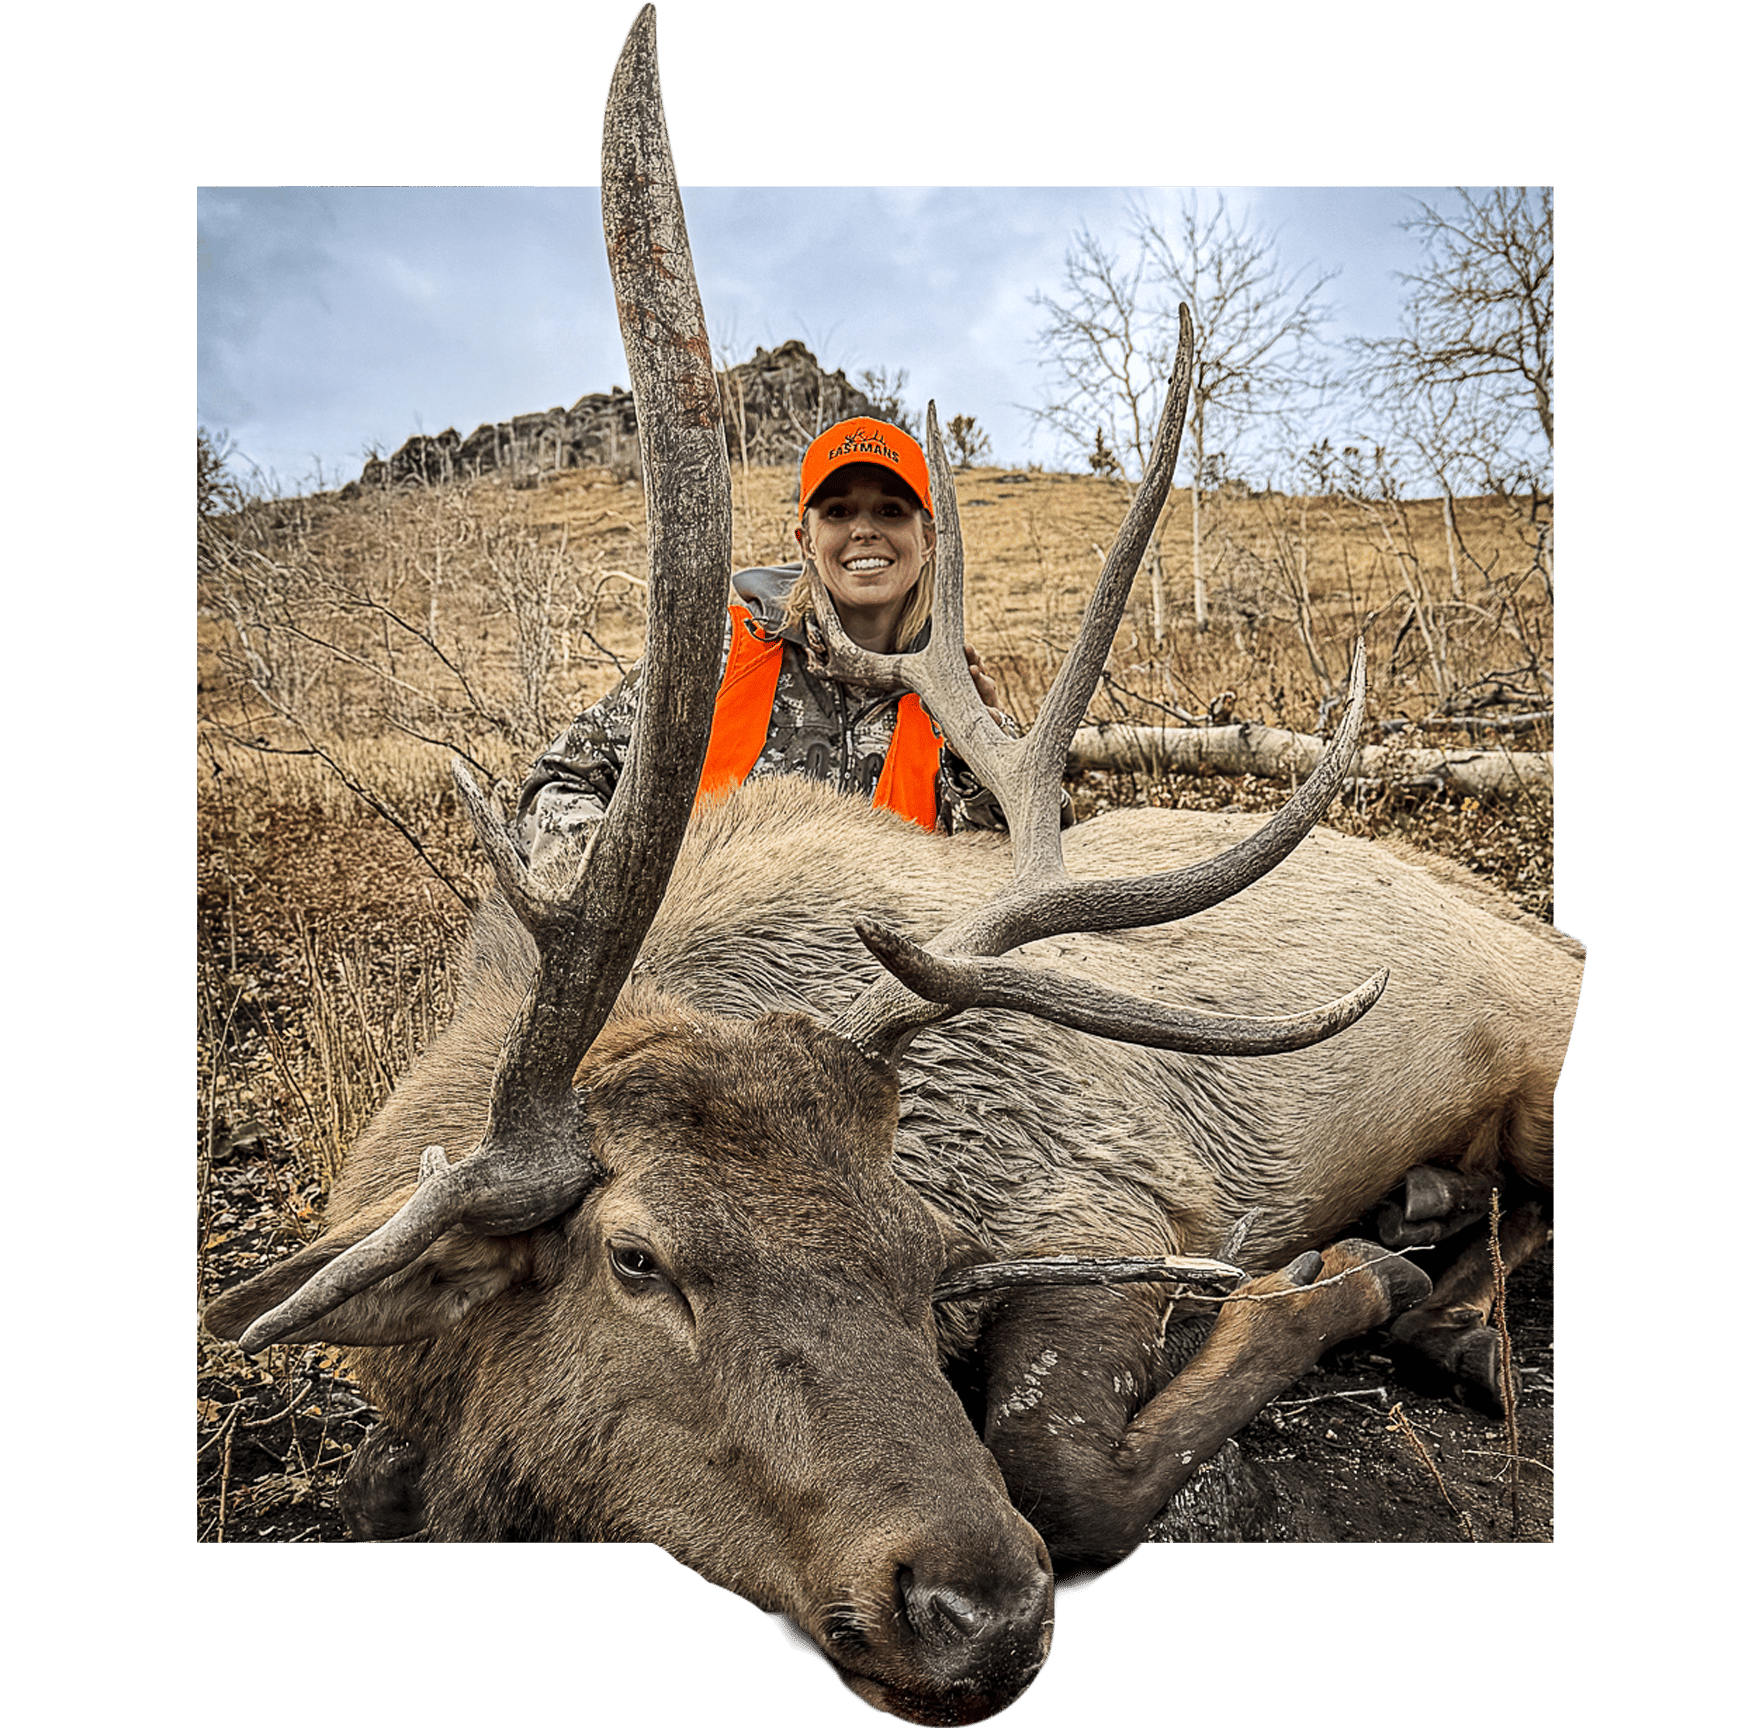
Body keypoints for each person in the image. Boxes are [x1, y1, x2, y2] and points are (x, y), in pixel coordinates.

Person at [515, 417, 1020, 870]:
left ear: (928, 539)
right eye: (838, 512)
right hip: (705, 937)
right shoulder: (718, 655)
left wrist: (981, 752)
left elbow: (1010, 867)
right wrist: (623, 894)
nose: (864, 530)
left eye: (890, 510)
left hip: (890, 946)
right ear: (806, 542)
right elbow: (561, 782)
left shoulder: (953, 698)